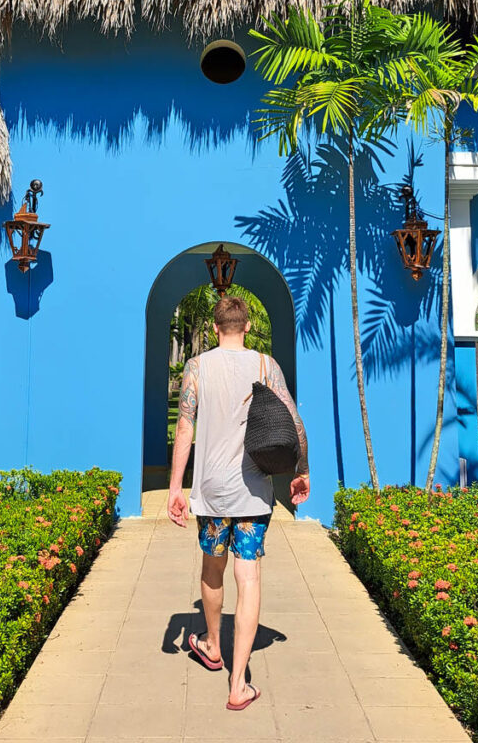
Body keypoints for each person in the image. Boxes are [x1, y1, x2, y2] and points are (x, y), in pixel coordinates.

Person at [167, 295, 310, 711]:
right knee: (249, 580)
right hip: (252, 494)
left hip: (210, 493)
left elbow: (184, 427)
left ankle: (212, 644)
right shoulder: (266, 365)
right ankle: (238, 683)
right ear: (246, 326)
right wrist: (301, 470)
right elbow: (293, 419)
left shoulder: (197, 367)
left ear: (214, 328)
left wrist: (176, 487)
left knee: (212, 571)